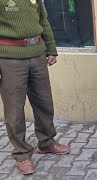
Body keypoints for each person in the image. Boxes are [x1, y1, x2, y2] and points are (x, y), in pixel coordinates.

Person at [0, 0, 70, 175]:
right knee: (14, 110)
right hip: (9, 58)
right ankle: (22, 154)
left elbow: (43, 20)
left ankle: (46, 142)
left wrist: (51, 48)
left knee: (44, 102)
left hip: (37, 54)